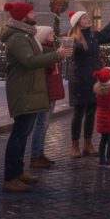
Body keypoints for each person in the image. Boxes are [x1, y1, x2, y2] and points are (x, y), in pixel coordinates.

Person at [0, 2, 72, 192]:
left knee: (23, 135)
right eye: (31, 12)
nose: (34, 14)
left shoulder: (25, 35)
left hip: (29, 90)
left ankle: (18, 172)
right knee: (18, 135)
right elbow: (29, 61)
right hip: (24, 91)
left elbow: (35, 56)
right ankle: (10, 177)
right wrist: (57, 55)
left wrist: (57, 53)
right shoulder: (17, 38)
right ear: (23, 16)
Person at [67, 10, 110, 158]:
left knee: (91, 112)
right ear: (78, 23)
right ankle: (75, 145)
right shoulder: (73, 38)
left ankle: (88, 144)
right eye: (84, 18)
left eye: (88, 17)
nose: (88, 19)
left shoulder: (93, 35)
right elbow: (69, 54)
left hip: (95, 80)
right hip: (80, 80)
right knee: (79, 113)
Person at [29, 26, 65, 169]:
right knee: (41, 124)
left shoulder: (52, 49)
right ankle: (35, 155)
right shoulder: (43, 50)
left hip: (52, 90)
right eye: (49, 32)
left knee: (45, 124)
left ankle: (40, 153)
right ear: (43, 35)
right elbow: (48, 70)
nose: (52, 34)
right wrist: (57, 55)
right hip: (47, 90)